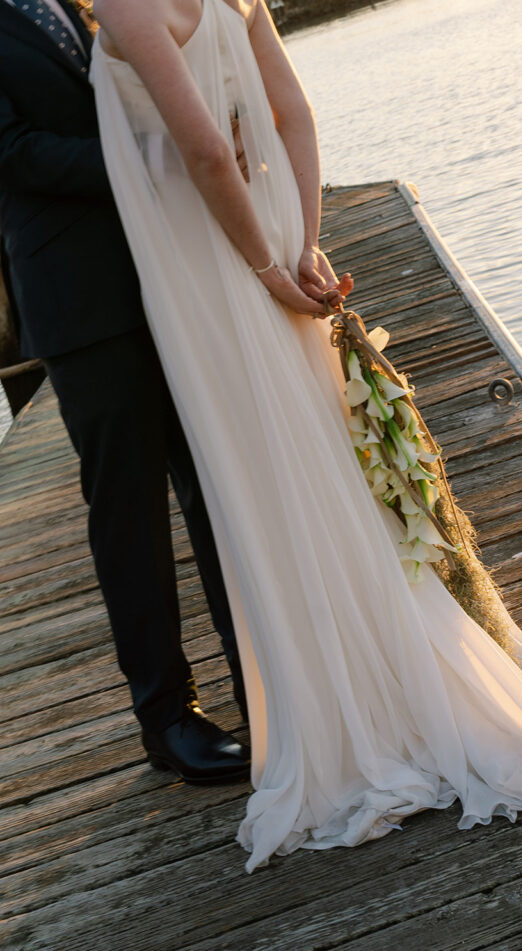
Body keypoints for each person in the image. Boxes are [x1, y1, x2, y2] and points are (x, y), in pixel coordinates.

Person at [90, 0, 522, 873]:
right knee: (320, 462)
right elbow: (292, 112)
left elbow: (206, 150)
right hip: (272, 239)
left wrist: (261, 270)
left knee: (268, 478)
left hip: (208, 269)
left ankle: (350, 705)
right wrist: (302, 246)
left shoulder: (124, 6)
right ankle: (388, 670)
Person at [0, 0, 252, 782]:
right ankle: (167, 718)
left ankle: (266, 681)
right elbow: (16, 154)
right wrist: (158, 154)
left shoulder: (80, 3)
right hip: (78, 298)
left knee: (214, 484)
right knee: (128, 510)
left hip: (167, 273)